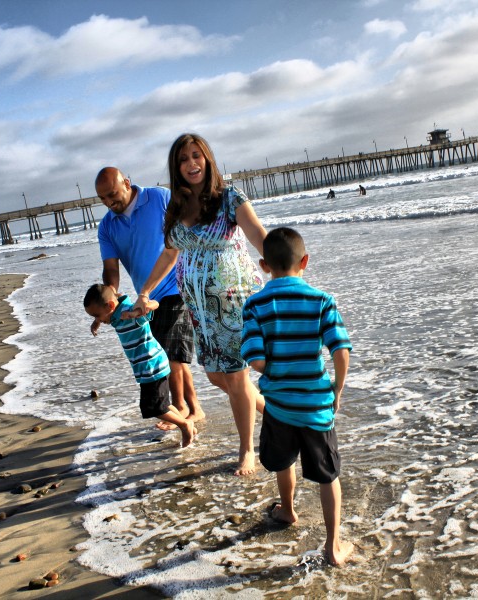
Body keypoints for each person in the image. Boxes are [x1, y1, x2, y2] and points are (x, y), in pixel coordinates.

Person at [130, 133, 266, 476]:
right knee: (217, 376)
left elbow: (258, 235)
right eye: (183, 159)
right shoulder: (176, 208)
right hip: (200, 311)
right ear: (177, 168)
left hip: (232, 303)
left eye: (197, 156)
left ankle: (247, 449)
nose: (191, 164)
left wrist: (285, 270)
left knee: (235, 378)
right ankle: (273, 410)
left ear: (207, 160)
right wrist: (145, 291)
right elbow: (169, 253)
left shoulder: (229, 199)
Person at [241, 227, 354, 566]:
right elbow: (341, 350)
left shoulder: (255, 304)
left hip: (278, 406)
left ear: (264, 265)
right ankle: (333, 546)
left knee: (284, 461)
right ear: (304, 261)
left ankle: (288, 511)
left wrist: (279, 372)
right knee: (327, 475)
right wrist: (336, 390)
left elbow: (255, 358)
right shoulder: (321, 301)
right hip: (316, 407)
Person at [92, 167, 204, 429]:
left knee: (168, 352)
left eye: (112, 194)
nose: (109, 203)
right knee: (171, 354)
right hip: (146, 297)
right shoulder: (107, 226)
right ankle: (193, 408)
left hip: (179, 286)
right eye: (102, 199)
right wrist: (109, 305)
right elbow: (111, 270)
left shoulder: (160, 198)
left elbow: (190, 228)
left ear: (127, 183)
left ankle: (178, 409)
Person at [84, 284, 195, 447]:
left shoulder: (129, 312)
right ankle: (187, 425)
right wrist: (97, 322)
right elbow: (113, 300)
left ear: (110, 306)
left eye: (97, 316)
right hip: (149, 367)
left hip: (152, 366)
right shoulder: (114, 314)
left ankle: (185, 425)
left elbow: (155, 304)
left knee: (153, 408)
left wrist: (138, 310)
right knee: (162, 404)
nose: (99, 319)